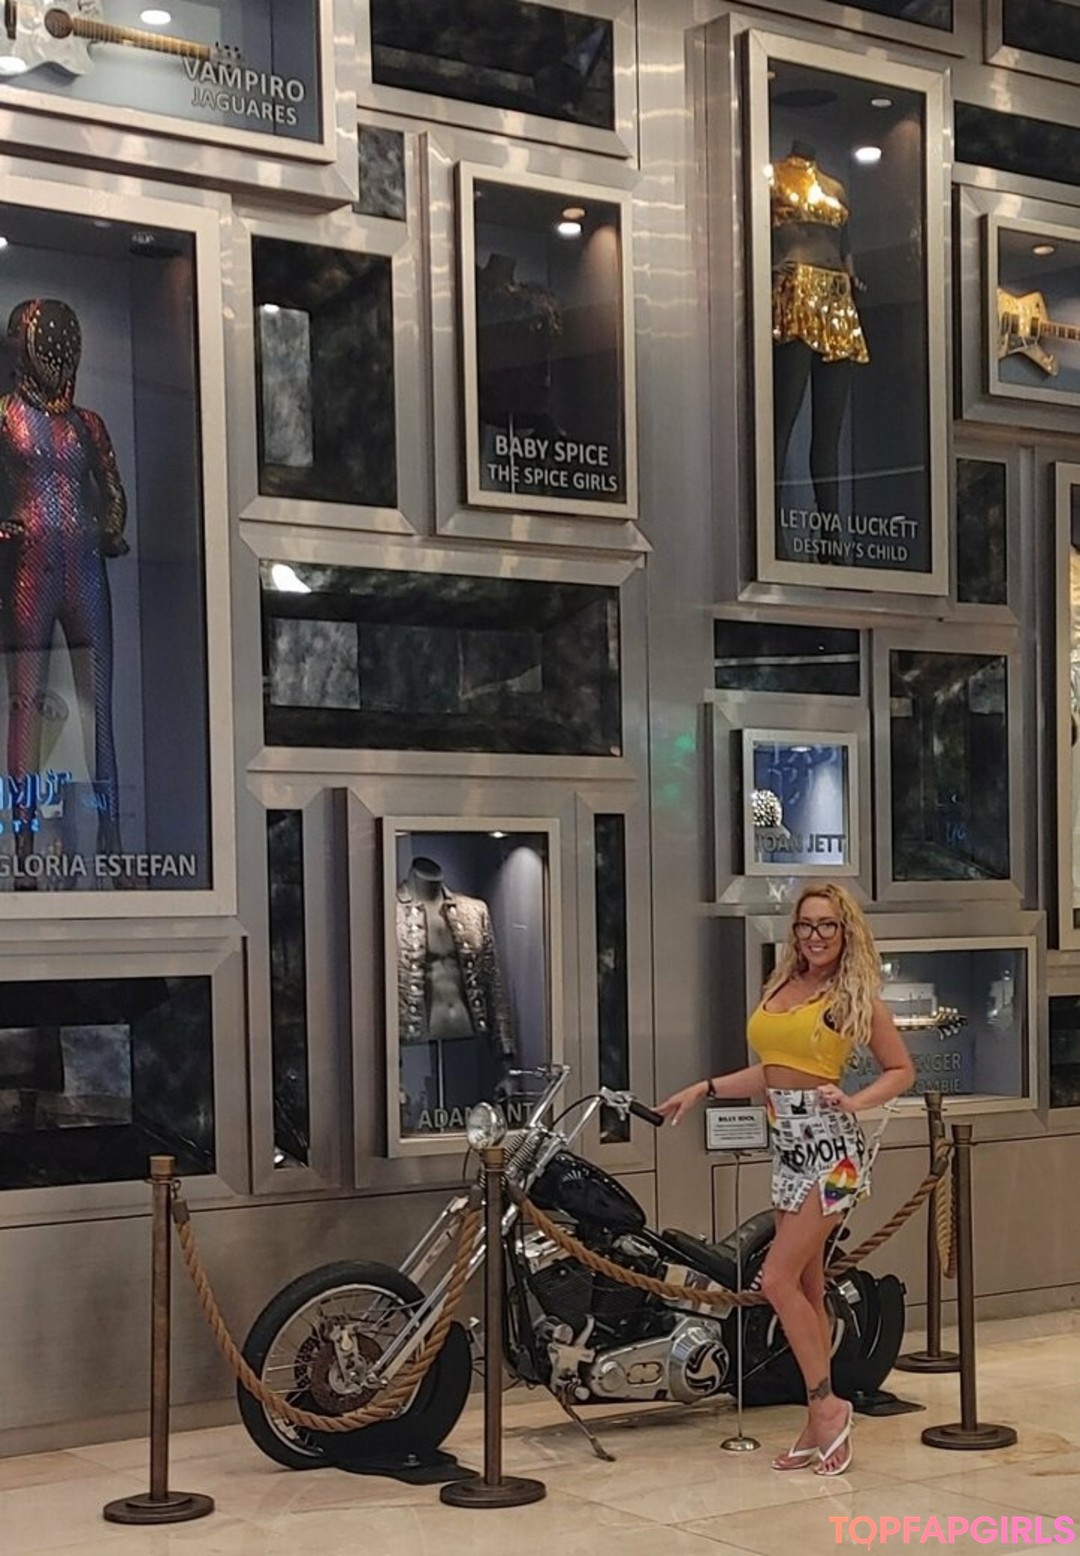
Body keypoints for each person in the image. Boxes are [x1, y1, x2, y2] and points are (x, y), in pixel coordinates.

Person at [657, 882, 914, 1477]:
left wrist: (855, 1101)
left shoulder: (853, 997)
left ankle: (826, 1405)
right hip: (789, 1148)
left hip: (834, 1154)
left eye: (827, 925)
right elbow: (772, 1072)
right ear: (793, 931)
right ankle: (817, 1419)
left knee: (774, 1278)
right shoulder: (781, 987)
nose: (815, 936)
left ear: (845, 931)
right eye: (805, 925)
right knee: (807, 1284)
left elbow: (901, 1069)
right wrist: (705, 1088)